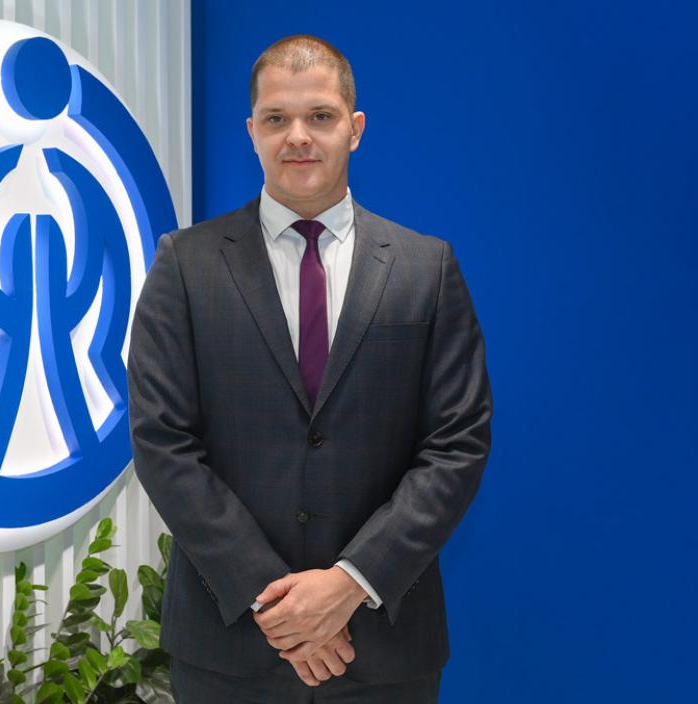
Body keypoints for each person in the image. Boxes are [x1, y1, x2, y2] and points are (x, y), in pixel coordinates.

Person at [127, 34, 491, 703]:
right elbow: (162, 442)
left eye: (320, 116)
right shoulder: (185, 265)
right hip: (232, 647)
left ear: (355, 128)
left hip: (384, 650)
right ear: (252, 132)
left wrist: (350, 583)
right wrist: (279, 604)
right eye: (277, 118)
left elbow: (456, 445)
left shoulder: (426, 269)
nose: (298, 136)